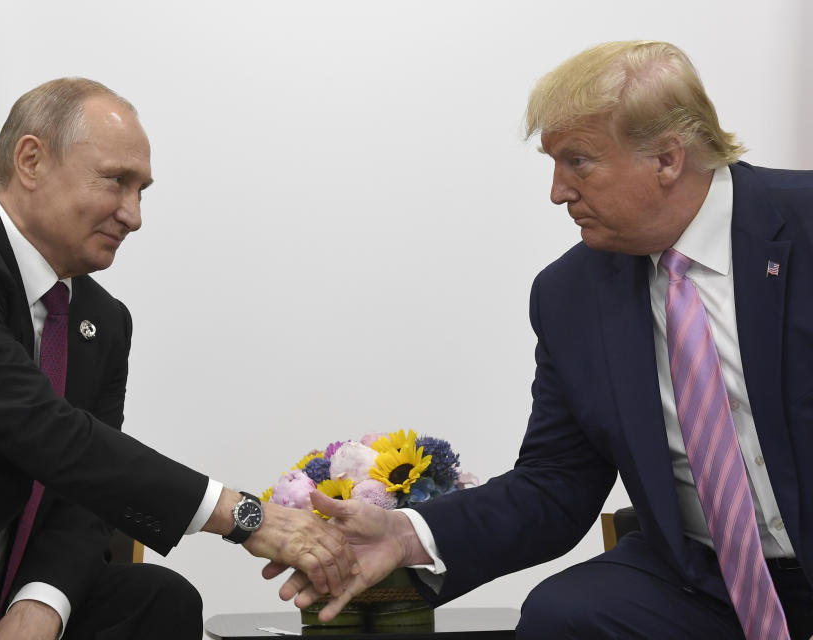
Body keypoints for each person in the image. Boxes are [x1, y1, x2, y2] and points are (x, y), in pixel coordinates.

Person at [277, 41, 813, 639]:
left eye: (578, 162)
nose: (558, 192)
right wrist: (408, 534)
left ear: (666, 158)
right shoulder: (571, 293)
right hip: (703, 579)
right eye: (554, 164)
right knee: (567, 615)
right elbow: (556, 481)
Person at [0, 78, 355, 640]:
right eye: (117, 181)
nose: (134, 215)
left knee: (160, 601)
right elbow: (49, 433)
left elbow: (84, 493)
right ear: (31, 160)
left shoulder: (101, 320)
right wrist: (242, 517)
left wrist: (41, 604)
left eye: (142, 190)